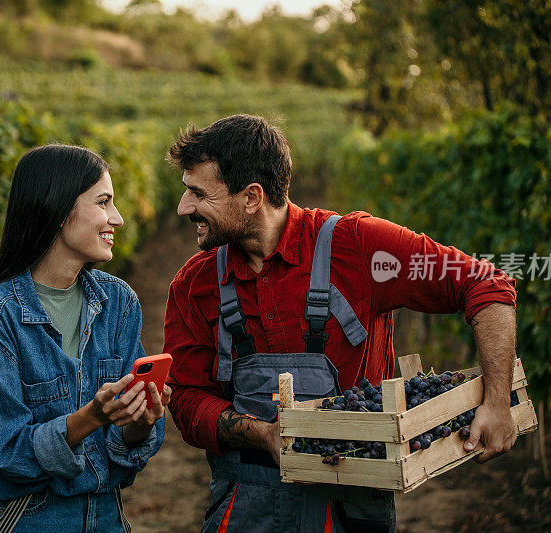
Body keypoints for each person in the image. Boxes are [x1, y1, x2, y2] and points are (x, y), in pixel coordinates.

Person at [163, 115, 517, 532]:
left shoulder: (358, 247)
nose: (184, 207)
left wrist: (496, 402)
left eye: (197, 194)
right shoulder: (195, 283)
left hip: (354, 501)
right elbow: (186, 398)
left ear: (252, 197)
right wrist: (262, 434)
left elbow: (485, 282)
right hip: (245, 503)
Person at [0, 144, 170, 532]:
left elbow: (126, 447)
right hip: (27, 519)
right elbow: (9, 453)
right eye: (103, 202)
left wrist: (141, 418)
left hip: (106, 516)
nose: (117, 219)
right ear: (58, 209)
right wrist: (92, 417)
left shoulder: (118, 303)